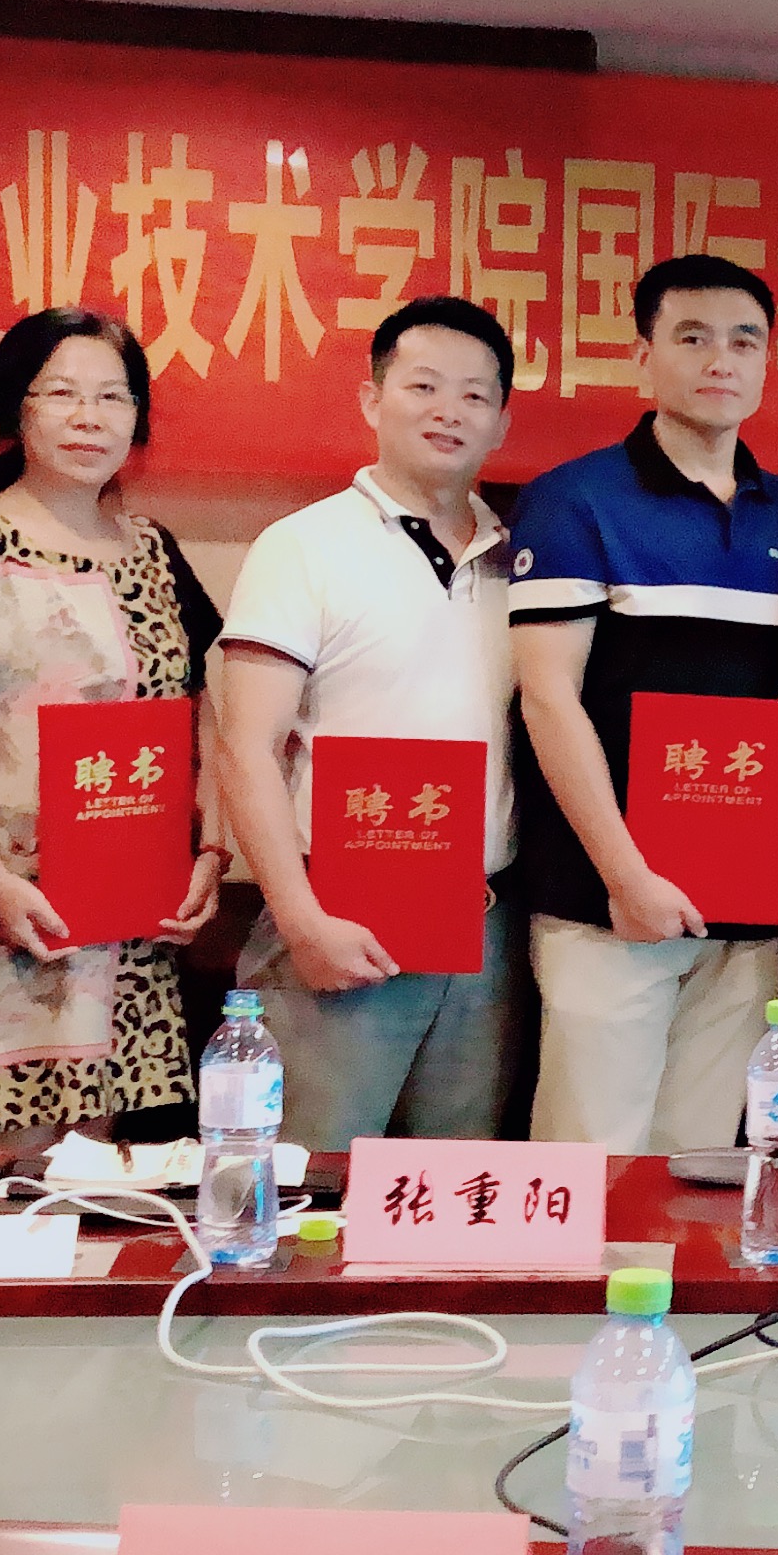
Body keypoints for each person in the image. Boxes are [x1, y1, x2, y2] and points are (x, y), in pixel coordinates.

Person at [509, 255, 778, 1156]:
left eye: (744, 340)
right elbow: (548, 700)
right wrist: (627, 876)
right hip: (602, 903)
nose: (720, 359)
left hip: (741, 911)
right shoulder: (575, 499)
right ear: (642, 355)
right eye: (692, 337)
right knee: (592, 1159)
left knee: (699, 1164)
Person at [0, 308, 227, 1138]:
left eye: (112, 397)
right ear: (16, 408)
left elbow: (203, 714)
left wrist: (213, 852)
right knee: (6, 1163)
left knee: (110, 1166)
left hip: (137, 912)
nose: (89, 417)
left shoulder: (155, 551)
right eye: (62, 393)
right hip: (8, 904)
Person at [214, 296, 526, 1150]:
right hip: (337, 921)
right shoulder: (303, 546)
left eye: (474, 395)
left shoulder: (524, 559)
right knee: (308, 1181)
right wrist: (302, 920)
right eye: (423, 386)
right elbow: (245, 748)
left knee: (452, 1188)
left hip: (484, 928)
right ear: (371, 399)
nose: (448, 410)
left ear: (501, 421)